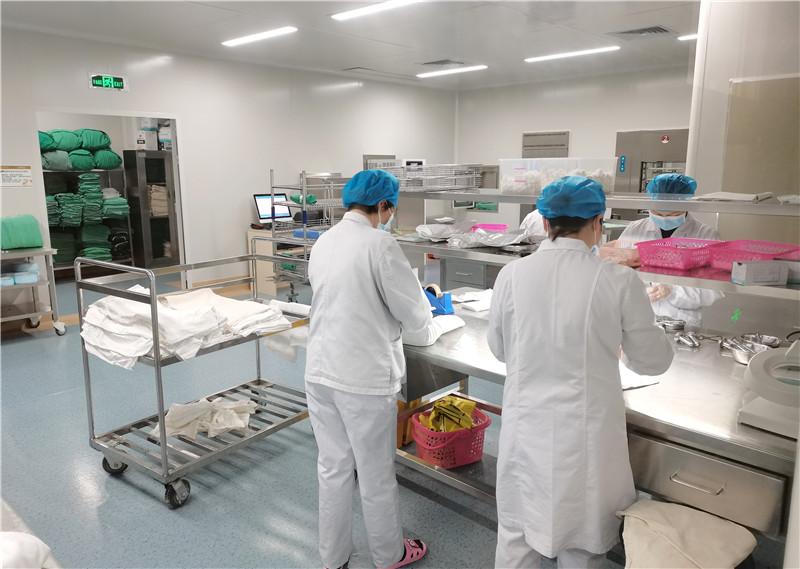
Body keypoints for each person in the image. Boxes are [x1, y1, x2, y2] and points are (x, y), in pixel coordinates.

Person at [487, 175, 674, 569]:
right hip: (588, 436)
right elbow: (651, 361)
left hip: (527, 427)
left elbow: (500, 349)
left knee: (518, 533)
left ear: (544, 222)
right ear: (597, 222)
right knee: (584, 542)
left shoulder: (511, 274)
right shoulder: (618, 279)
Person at [305, 169, 433, 569]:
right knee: (375, 475)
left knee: (333, 468)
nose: (390, 216)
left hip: (320, 372)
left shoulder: (324, 241)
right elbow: (415, 317)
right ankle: (390, 555)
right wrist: (429, 320)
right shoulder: (380, 244)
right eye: (391, 209)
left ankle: (334, 559)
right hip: (362, 379)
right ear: (383, 205)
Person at [619, 173, 723, 328]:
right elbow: (618, 272)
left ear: (686, 206)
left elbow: (715, 290)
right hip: (637, 318)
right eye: (657, 213)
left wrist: (673, 291)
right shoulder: (635, 229)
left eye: (672, 214)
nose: (664, 218)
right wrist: (638, 291)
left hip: (681, 323)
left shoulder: (706, 235)